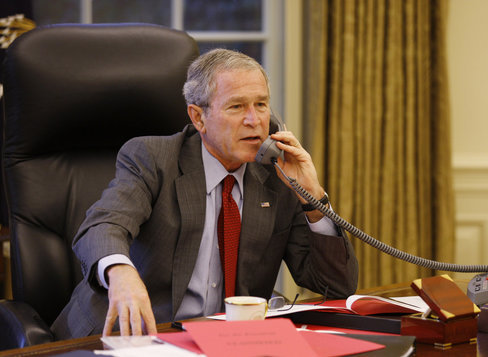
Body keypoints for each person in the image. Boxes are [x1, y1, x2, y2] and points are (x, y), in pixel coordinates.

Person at [51, 48, 358, 339]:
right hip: (128, 334)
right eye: (237, 106)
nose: (254, 120)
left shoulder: (277, 175)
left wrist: (313, 198)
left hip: (228, 342)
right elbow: (102, 226)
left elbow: (335, 286)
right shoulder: (153, 158)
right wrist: (121, 273)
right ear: (198, 117)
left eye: (261, 105)